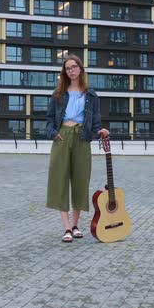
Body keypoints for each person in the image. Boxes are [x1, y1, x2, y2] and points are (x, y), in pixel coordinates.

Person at [46, 54, 110, 243]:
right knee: (60, 180)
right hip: (63, 135)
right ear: (64, 72)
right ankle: (66, 228)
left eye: (74, 67)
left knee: (81, 180)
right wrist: (53, 133)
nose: (71, 70)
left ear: (80, 69)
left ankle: (75, 225)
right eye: (68, 68)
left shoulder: (91, 94)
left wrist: (100, 130)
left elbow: (96, 120)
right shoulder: (58, 93)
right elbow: (49, 119)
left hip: (82, 137)